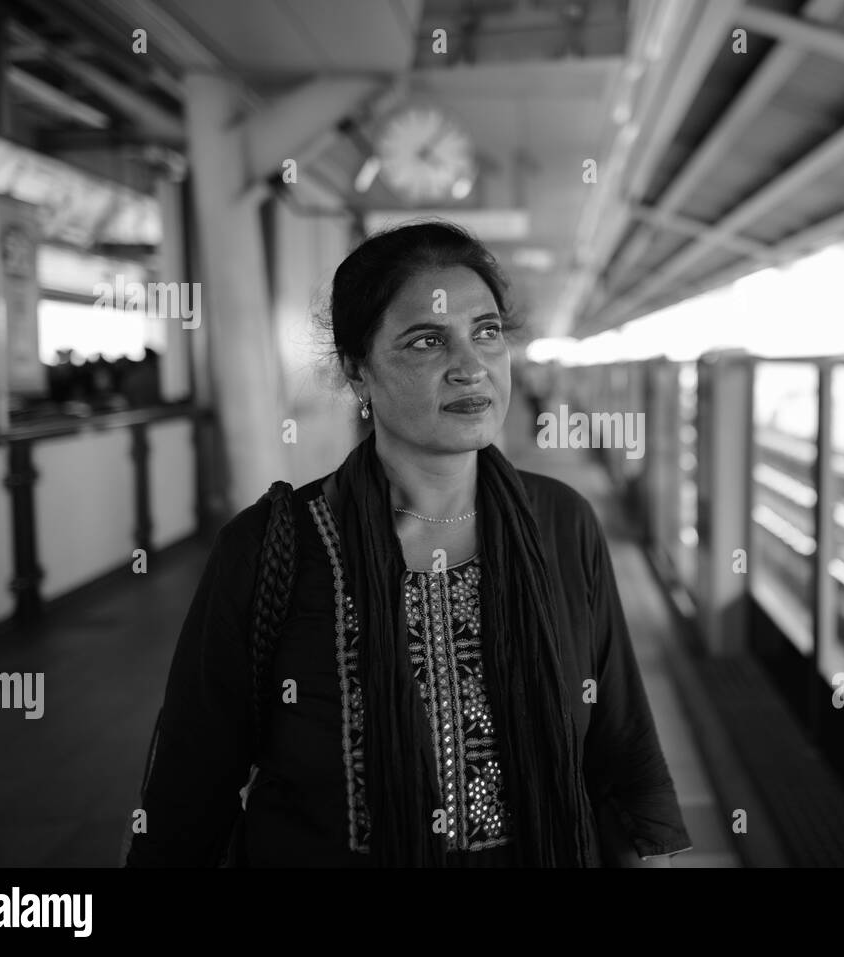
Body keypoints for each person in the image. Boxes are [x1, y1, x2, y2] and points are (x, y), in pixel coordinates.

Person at [125, 220, 692, 867]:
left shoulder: (560, 522)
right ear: (358, 372)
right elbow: (186, 794)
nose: (471, 367)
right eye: (426, 341)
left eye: (486, 332)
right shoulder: (271, 549)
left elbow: (623, 752)